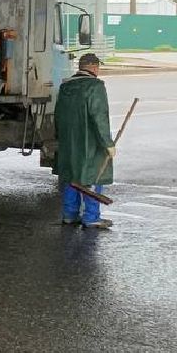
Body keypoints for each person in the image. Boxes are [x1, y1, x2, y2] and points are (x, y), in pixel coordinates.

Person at [54, 52, 116, 230]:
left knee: (71, 176)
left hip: (68, 143)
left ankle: (69, 214)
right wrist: (108, 143)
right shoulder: (95, 87)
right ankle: (91, 217)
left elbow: (58, 116)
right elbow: (99, 117)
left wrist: (62, 138)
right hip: (90, 143)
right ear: (94, 67)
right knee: (93, 176)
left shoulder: (65, 87)